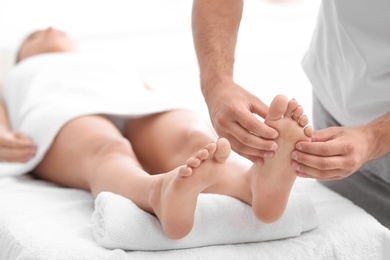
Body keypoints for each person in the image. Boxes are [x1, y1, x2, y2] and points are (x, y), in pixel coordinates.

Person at [0, 27, 312, 239]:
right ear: (23, 55)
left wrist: (170, 110)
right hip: (62, 110)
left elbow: (150, 91)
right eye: (37, 34)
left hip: (136, 101)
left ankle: (253, 184)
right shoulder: (15, 76)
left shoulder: (107, 59)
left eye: (59, 30)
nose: (51, 28)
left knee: (191, 139)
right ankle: (155, 193)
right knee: (107, 149)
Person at [191, 0, 390, 228]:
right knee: (185, 134)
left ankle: (154, 189)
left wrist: (374, 138)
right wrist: (216, 82)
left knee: (184, 134)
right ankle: (247, 184)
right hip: (335, 113)